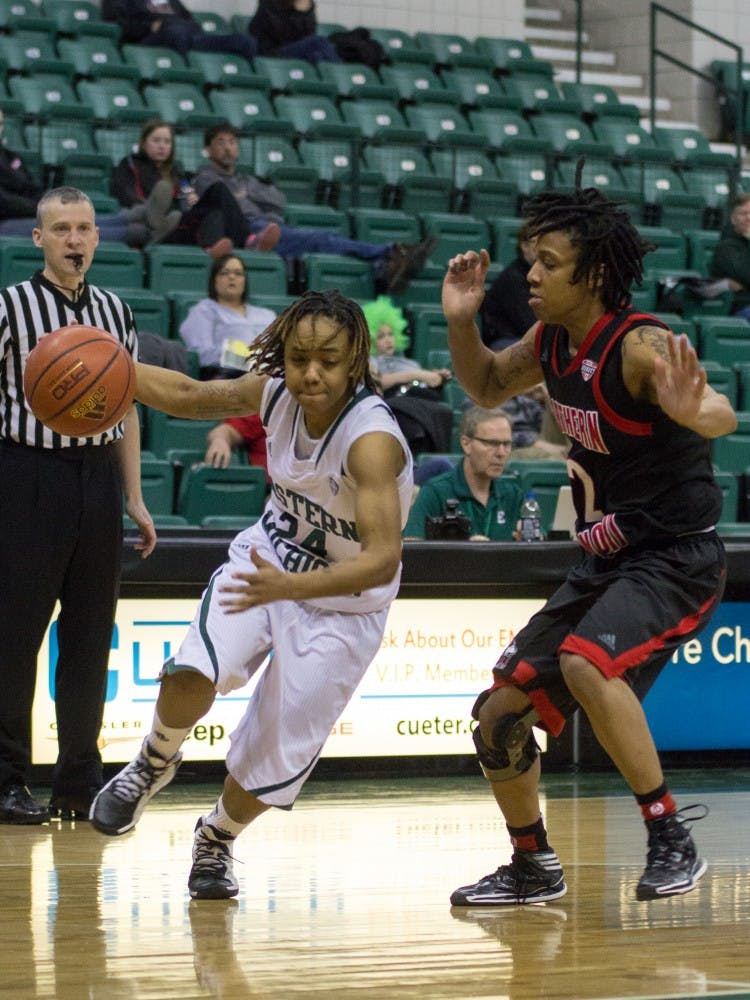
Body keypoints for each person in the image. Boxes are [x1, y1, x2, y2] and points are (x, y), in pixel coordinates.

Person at [441, 184, 737, 905]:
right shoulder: (548, 345)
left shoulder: (637, 345)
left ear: (594, 274)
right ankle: (532, 863)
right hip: (610, 559)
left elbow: (720, 412)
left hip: (675, 556)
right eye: (528, 260)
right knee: (496, 715)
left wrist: (696, 409)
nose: (531, 275)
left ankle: (670, 835)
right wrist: (460, 321)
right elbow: (482, 383)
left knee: (585, 663)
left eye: (548, 262)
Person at [89, 289, 414, 902]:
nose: (310, 373)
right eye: (298, 358)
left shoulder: (371, 439)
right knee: (193, 671)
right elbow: (188, 394)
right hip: (267, 561)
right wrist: (113, 368)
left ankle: (215, 837)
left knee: (267, 762)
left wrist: (292, 587)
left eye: (328, 360)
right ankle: (154, 761)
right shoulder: (273, 393)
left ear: (355, 362)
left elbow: (381, 559)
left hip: (345, 609)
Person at [0, 186, 157, 826]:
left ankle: (77, 781)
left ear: (97, 238)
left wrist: (136, 497)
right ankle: (7, 779)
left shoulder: (117, 313)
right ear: (38, 239)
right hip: (25, 474)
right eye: (60, 229)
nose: (74, 239)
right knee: (15, 637)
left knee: (90, 636)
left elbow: (126, 410)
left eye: (84, 228)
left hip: (97, 480)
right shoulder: (10, 307)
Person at [194, 122, 437, 294]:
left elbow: (278, 200)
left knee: (324, 243)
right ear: (208, 149)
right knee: (322, 239)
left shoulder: (246, 180)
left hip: (272, 228)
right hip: (249, 230)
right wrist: (249, 195)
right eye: (221, 142)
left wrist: (247, 192)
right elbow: (230, 203)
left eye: (232, 142)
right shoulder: (206, 177)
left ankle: (384, 266)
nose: (227, 147)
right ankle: (392, 251)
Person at [0, 111, 180, 248]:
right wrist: (39, 205)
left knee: (78, 217)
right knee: (70, 229)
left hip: (32, 214)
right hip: (7, 225)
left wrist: (44, 199)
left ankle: (136, 216)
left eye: (0, 124)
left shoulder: (9, 157)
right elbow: (5, 202)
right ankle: (141, 233)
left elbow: (30, 187)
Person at [109, 119, 281, 258]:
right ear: (144, 143)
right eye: (156, 140)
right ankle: (247, 240)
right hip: (148, 220)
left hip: (178, 222)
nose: (162, 146)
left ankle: (212, 249)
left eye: (167, 142)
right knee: (218, 192)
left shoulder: (177, 173)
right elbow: (127, 197)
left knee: (215, 205)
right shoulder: (130, 165)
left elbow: (185, 197)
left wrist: (190, 199)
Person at [403, 406, 522, 541]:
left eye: (506, 444)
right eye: (492, 443)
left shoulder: (513, 495)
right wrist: (464, 552)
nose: (501, 453)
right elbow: (411, 547)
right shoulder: (435, 492)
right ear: (466, 444)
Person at [363, 294, 453, 455]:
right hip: (394, 401)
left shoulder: (409, 363)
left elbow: (421, 380)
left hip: (418, 399)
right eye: (381, 336)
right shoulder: (371, 361)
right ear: (371, 339)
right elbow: (378, 382)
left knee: (443, 412)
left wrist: (436, 378)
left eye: (390, 334)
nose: (388, 340)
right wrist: (417, 375)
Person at [179, 252, 277, 379]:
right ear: (215, 280)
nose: (232, 277)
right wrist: (245, 357)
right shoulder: (203, 311)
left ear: (245, 281)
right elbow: (202, 355)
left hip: (270, 376)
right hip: (229, 378)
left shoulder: (267, 315)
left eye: (238, 273)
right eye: (224, 273)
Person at [102, 0, 258, 60]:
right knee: (176, 33)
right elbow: (116, 23)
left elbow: (191, 21)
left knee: (244, 41)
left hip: (187, 36)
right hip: (152, 39)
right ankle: (190, 74)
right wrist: (149, 27)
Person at [479, 221, 537, 351]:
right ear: (524, 246)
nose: (541, 248)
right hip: (503, 342)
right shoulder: (513, 278)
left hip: (524, 340)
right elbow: (530, 325)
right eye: (536, 243)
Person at [248, 0, 340, 63]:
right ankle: (340, 75)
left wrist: (307, 12)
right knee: (318, 41)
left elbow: (309, 34)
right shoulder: (271, 3)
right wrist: (301, 13)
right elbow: (282, 35)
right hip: (271, 52)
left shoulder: (303, 4)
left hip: (294, 51)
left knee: (318, 56)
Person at [708, 191, 750, 320]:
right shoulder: (726, 247)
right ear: (733, 218)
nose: (749, 217)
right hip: (737, 307)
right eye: (744, 213)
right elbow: (747, 275)